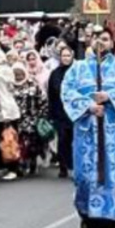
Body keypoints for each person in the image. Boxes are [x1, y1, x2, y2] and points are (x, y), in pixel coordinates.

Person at [63, 27, 115, 228]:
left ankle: (114, 223)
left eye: (104, 38)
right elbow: (67, 93)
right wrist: (88, 106)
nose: (100, 42)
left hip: (114, 132)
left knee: (113, 177)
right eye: (96, 38)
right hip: (87, 131)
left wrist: (110, 96)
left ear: (112, 42)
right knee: (85, 176)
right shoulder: (77, 69)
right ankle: (88, 216)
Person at [0, 48, 22, 180]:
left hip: (3, 112)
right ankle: (9, 167)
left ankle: (9, 168)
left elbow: (1, 95)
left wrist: (4, 114)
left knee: (4, 141)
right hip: (11, 110)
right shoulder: (8, 71)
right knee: (10, 140)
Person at [12, 62, 48, 176]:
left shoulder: (32, 83)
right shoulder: (10, 85)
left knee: (31, 143)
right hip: (17, 119)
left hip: (32, 118)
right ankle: (21, 164)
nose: (18, 76)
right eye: (16, 74)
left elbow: (43, 99)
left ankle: (32, 162)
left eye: (20, 74)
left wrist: (41, 114)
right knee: (19, 143)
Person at [49, 45, 76, 178]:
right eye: (63, 56)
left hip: (74, 111)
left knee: (73, 138)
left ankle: (73, 164)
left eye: (68, 55)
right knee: (62, 138)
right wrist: (51, 114)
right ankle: (63, 166)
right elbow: (52, 94)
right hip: (60, 112)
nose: (66, 58)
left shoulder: (77, 72)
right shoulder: (55, 73)